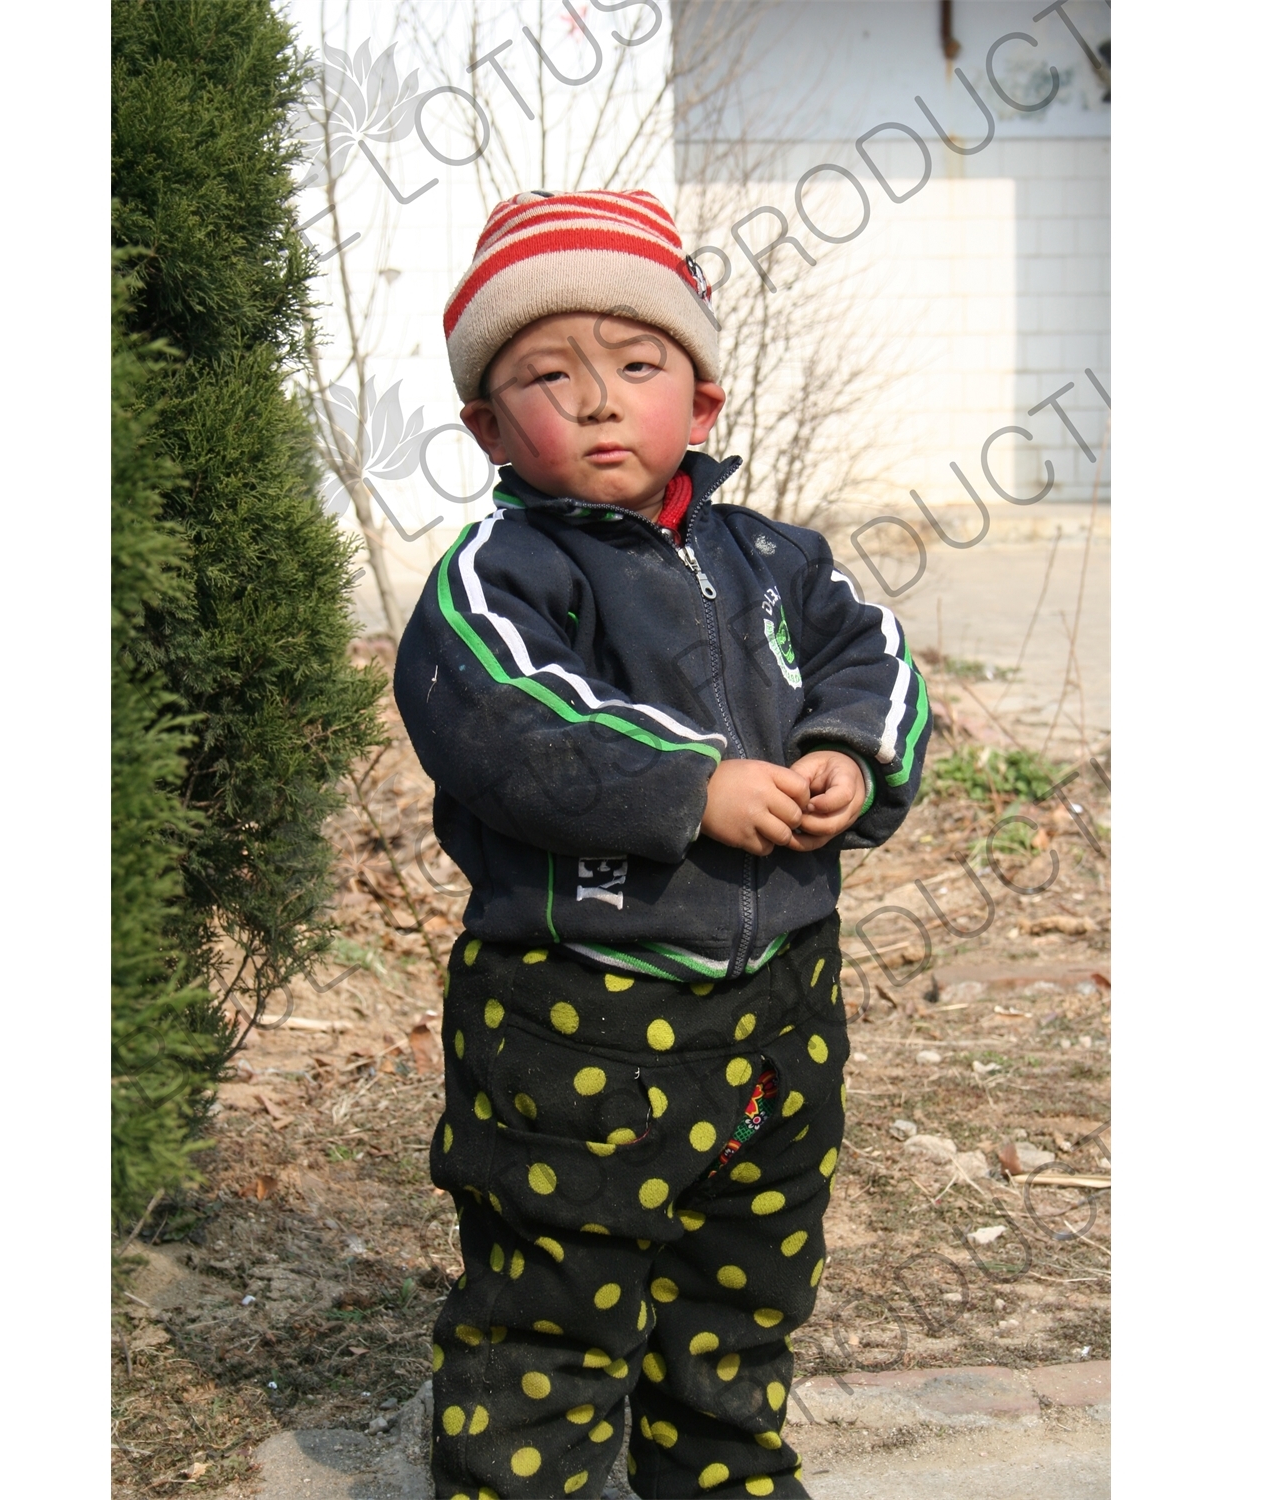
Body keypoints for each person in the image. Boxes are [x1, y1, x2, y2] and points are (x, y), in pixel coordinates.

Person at [394, 190, 930, 1500]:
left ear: (700, 403)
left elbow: (879, 660)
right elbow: (511, 718)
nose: (595, 401)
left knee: (740, 1301)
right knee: (554, 1316)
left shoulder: (780, 561)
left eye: (637, 367)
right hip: (577, 1030)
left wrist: (846, 759)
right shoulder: (500, 577)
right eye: (547, 374)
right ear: (484, 426)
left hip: (783, 1022)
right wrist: (691, 788)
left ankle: (723, 1474)